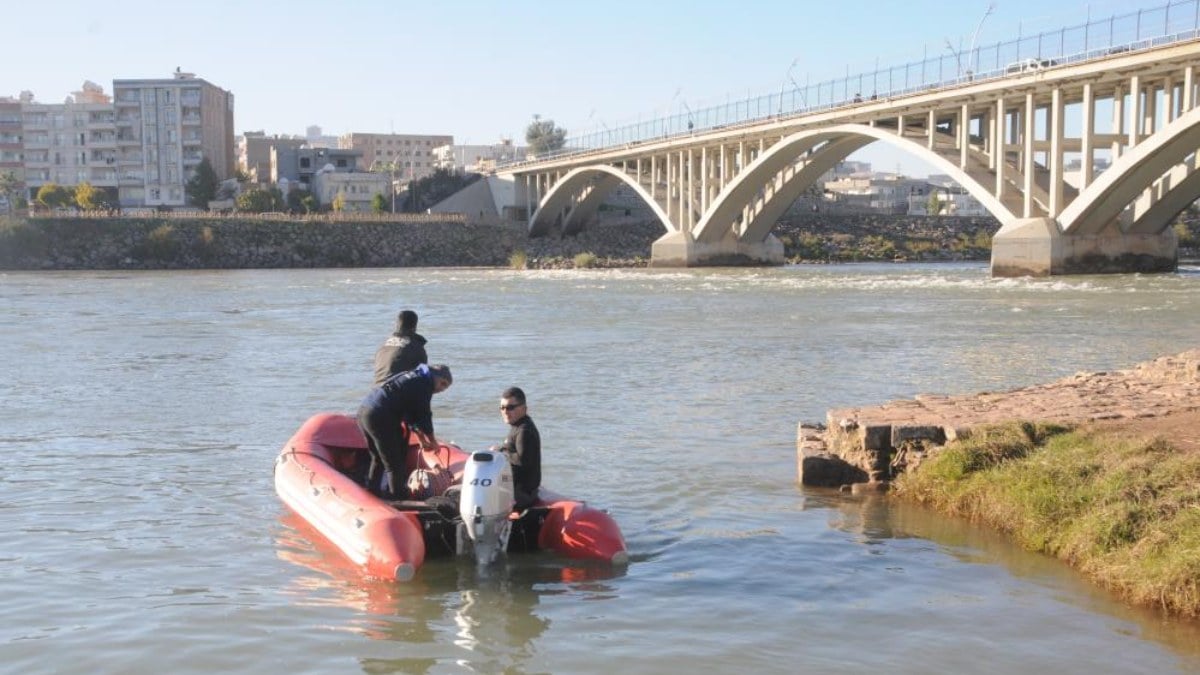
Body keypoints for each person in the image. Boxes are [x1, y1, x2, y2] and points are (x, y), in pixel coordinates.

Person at [357, 363, 453, 498]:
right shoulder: (424, 384)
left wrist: (420, 438)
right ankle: (398, 498)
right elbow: (424, 416)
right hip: (380, 417)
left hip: (365, 412)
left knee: (378, 458)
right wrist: (432, 441)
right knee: (394, 463)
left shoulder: (412, 376)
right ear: (435, 376)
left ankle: (372, 492)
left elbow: (410, 415)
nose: (440, 390)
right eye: (442, 384)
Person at [496, 386, 541, 511]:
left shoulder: (524, 430)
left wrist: (501, 452)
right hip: (515, 488)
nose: (505, 411)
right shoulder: (517, 426)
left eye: (510, 407)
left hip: (523, 494)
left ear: (524, 408)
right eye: (502, 408)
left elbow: (522, 460)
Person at [373, 309, 427, 386]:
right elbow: (424, 377)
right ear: (415, 326)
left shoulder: (383, 346)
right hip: (396, 393)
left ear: (397, 325)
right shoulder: (416, 347)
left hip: (375, 393)